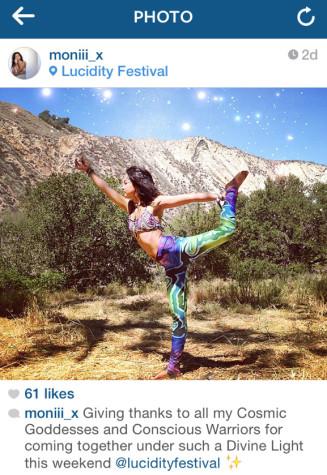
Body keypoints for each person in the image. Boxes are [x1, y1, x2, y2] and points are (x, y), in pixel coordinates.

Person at [75, 156, 248, 379]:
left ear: (136, 184)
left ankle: (231, 192)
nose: (122, 185)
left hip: (178, 248)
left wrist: (217, 196)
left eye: (125, 181)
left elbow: (187, 198)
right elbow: (106, 190)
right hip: (170, 267)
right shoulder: (129, 207)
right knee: (178, 314)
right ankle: (174, 366)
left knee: (228, 230)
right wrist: (89, 171)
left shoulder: (155, 205)